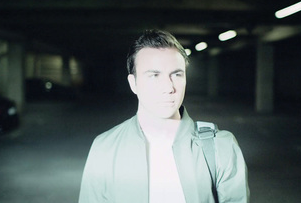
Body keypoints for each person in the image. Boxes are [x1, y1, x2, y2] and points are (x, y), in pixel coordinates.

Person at [78, 29, 249, 203]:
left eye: (176, 74)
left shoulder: (220, 146)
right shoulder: (105, 148)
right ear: (133, 83)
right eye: (154, 75)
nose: (168, 87)